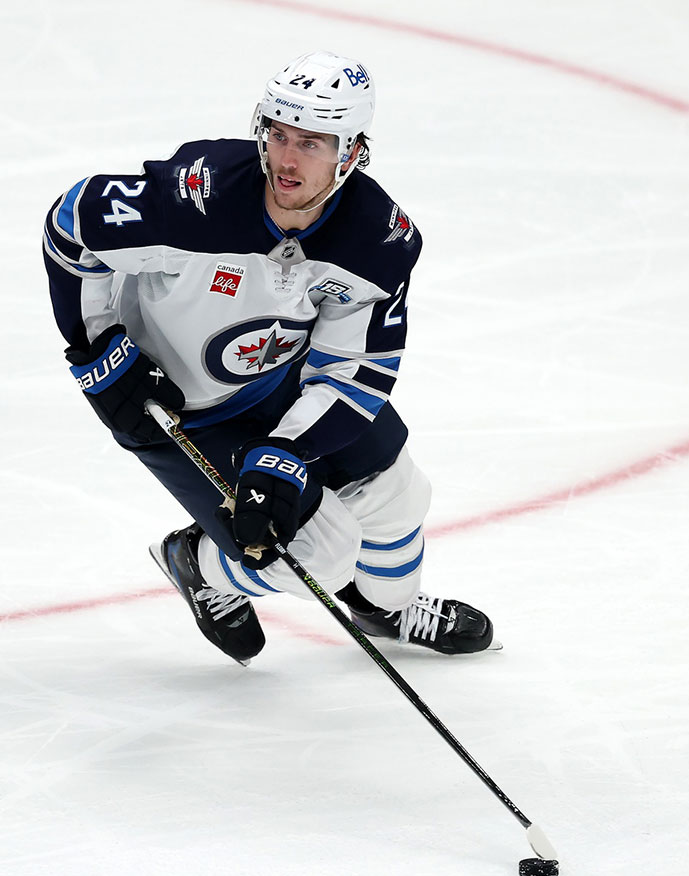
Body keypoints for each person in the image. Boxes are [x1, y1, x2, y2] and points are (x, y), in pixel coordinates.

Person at [42, 51, 498, 665]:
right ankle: (198, 563)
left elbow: (355, 370)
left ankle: (385, 609)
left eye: (311, 142)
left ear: (353, 150)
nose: (287, 159)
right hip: (172, 408)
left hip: (278, 385)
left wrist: (284, 452)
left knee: (398, 494)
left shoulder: (378, 239)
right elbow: (72, 226)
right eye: (279, 134)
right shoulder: (194, 198)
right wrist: (95, 346)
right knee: (320, 553)